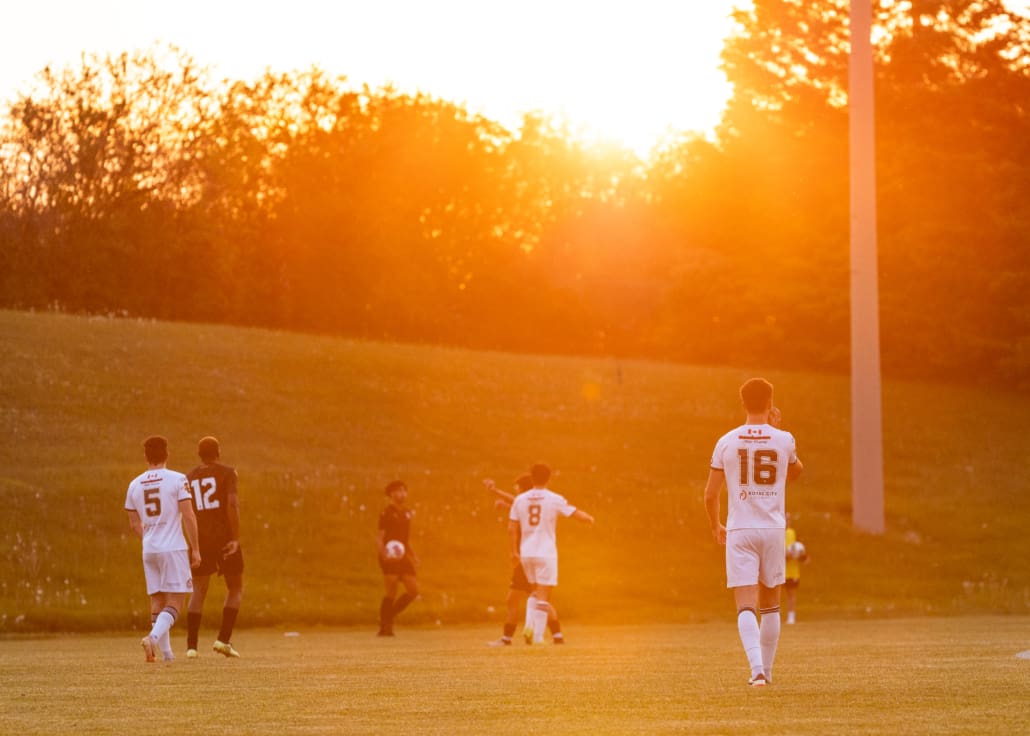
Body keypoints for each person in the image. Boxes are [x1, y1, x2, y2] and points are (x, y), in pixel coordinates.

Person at [703, 378, 803, 687]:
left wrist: (715, 525)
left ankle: (756, 670)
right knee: (771, 602)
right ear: (771, 402)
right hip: (773, 528)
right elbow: (796, 471)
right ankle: (768, 671)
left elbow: (710, 494)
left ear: (743, 403)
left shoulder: (726, 441)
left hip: (740, 528)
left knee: (745, 604)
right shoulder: (784, 439)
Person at [125, 435, 201, 663]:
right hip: (173, 547)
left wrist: (148, 538)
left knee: (158, 600)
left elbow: (133, 524)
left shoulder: (134, 484)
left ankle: (167, 655)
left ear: (146, 457)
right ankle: (152, 638)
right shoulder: (178, 480)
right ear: (167, 454)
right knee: (176, 601)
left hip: (149, 548)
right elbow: (188, 515)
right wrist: (195, 549)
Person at [508, 463, 594, 645]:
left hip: (526, 552)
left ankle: (529, 628)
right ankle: (538, 637)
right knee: (544, 595)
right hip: (545, 552)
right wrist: (588, 518)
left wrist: (514, 551)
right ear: (549, 478)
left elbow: (512, 528)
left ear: (531, 477)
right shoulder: (553, 498)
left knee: (534, 591)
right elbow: (574, 513)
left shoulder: (520, 499)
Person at [483, 474, 565, 646]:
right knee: (537, 598)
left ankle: (507, 638)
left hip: (526, 558)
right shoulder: (527, 506)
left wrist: (494, 491)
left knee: (518, 599)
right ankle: (557, 636)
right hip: (532, 556)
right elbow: (517, 508)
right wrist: (504, 505)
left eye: (517, 488)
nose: (516, 492)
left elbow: (515, 502)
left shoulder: (524, 501)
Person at [184, 436, 244, 658]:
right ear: (218, 452)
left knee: (199, 590)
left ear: (199, 454)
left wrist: (193, 543)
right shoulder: (227, 473)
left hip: (201, 538)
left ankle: (191, 647)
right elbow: (232, 503)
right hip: (224, 538)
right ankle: (223, 639)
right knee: (235, 588)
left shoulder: (189, 477)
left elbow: (187, 512)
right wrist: (235, 537)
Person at [377, 480, 419, 636]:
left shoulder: (407, 513)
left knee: (414, 591)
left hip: (403, 556)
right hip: (390, 556)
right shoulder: (386, 513)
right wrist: (384, 555)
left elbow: (405, 539)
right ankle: (385, 627)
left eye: (404, 490)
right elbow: (380, 538)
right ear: (391, 494)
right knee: (391, 591)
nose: (401, 493)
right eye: (398, 491)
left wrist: (413, 555)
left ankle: (388, 616)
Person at [784, 515, 810, 625]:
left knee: (791, 594)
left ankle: (791, 617)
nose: (787, 521)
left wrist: (800, 556)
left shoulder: (793, 533)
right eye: (785, 519)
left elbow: (804, 555)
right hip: (778, 570)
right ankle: (770, 617)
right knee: (772, 594)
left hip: (792, 571)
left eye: (788, 519)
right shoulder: (775, 533)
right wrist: (785, 556)